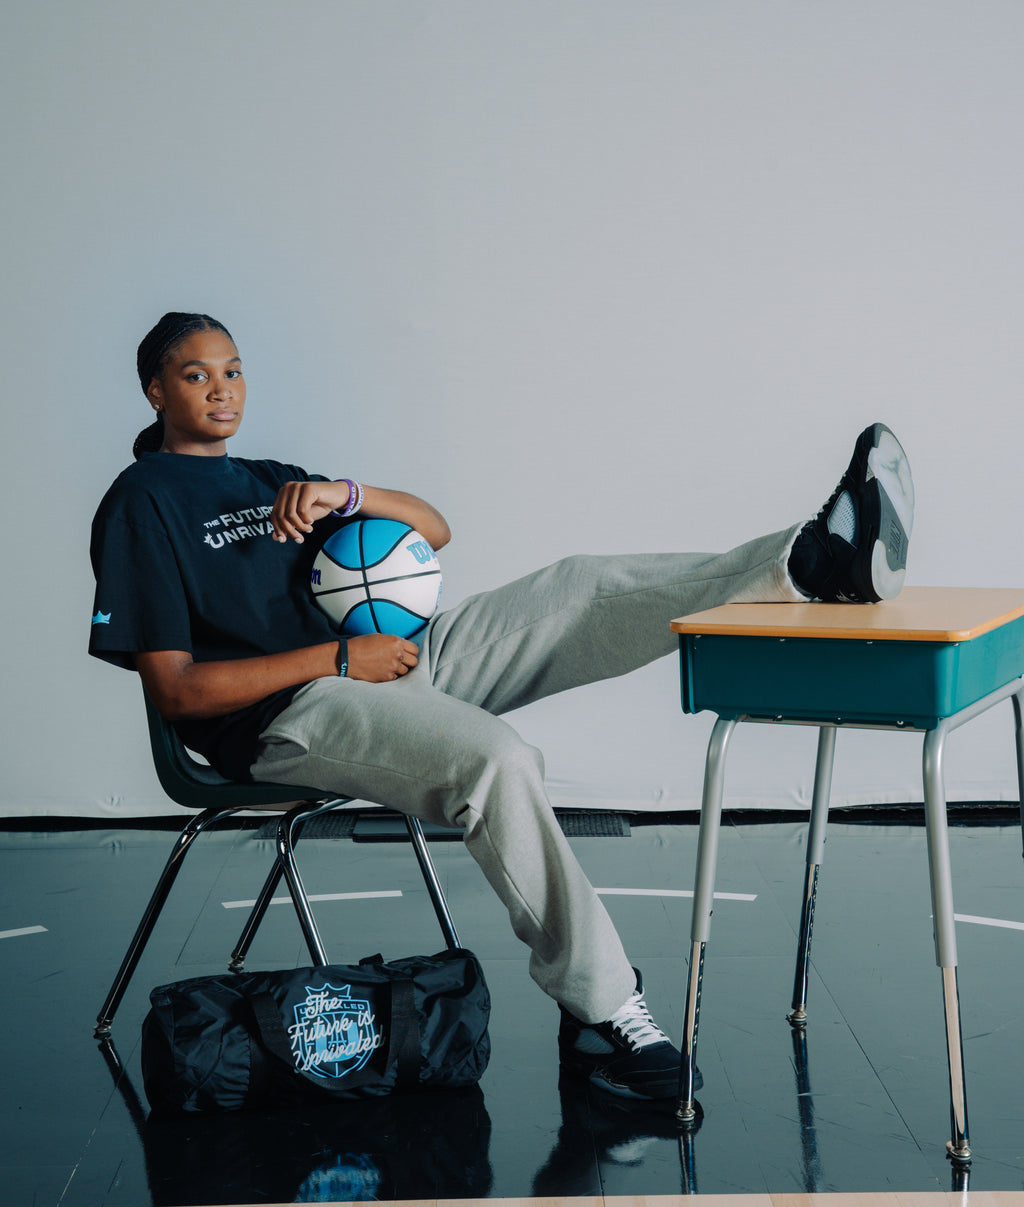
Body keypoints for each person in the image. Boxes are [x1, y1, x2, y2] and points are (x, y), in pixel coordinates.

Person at [89, 312, 914, 1104]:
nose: (222, 390)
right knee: (498, 759)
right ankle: (602, 1012)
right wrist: (339, 658)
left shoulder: (269, 479)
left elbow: (434, 530)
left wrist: (345, 493)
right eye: (197, 375)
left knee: (579, 586)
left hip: (384, 663)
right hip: (285, 716)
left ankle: (808, 564)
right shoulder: (141, 502)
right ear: (155, 392)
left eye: (233, 372)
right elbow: (177, 690)